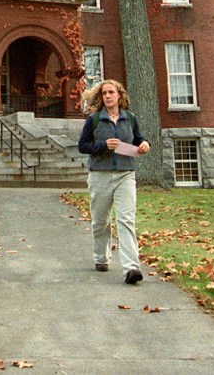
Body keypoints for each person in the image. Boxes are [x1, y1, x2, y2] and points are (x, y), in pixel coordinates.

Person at [77, 79, 150, 284]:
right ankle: (101, 257)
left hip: (125, 175)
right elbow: (82, 146)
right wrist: (103, 145)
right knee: (101, 221)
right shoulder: (94, 120)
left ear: (119, 95)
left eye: (111, 92)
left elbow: (138, 139)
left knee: (126, 220)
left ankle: (131, 268)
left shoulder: (130, 118)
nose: (108, 96)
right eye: (104, 93)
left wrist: (144, 144)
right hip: (100, 175)